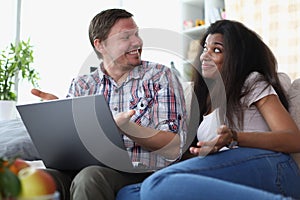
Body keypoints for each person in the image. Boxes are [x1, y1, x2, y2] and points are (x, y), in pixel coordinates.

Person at [116, 19, 300, 199]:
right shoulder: (205, 99)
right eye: (205, 48)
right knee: (129, 194)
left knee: (157, 185)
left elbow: (293, 139)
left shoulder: (251, 82)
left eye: (216, 50)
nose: (204, 55)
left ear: (236, 58)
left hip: (273, 168)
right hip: (230, 173)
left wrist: (235, 137)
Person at [31, 8, 187, 200]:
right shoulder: (82, 84)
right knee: (37, 178)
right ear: (100, 45)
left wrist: (128, 128)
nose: (137, 42)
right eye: (126, 37)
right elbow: (72, 145)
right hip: (81, 168)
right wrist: (56, 118)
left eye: (136, 34)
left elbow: (173, 147)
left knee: (90, 177)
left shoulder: (160, 76)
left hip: (138, 172)